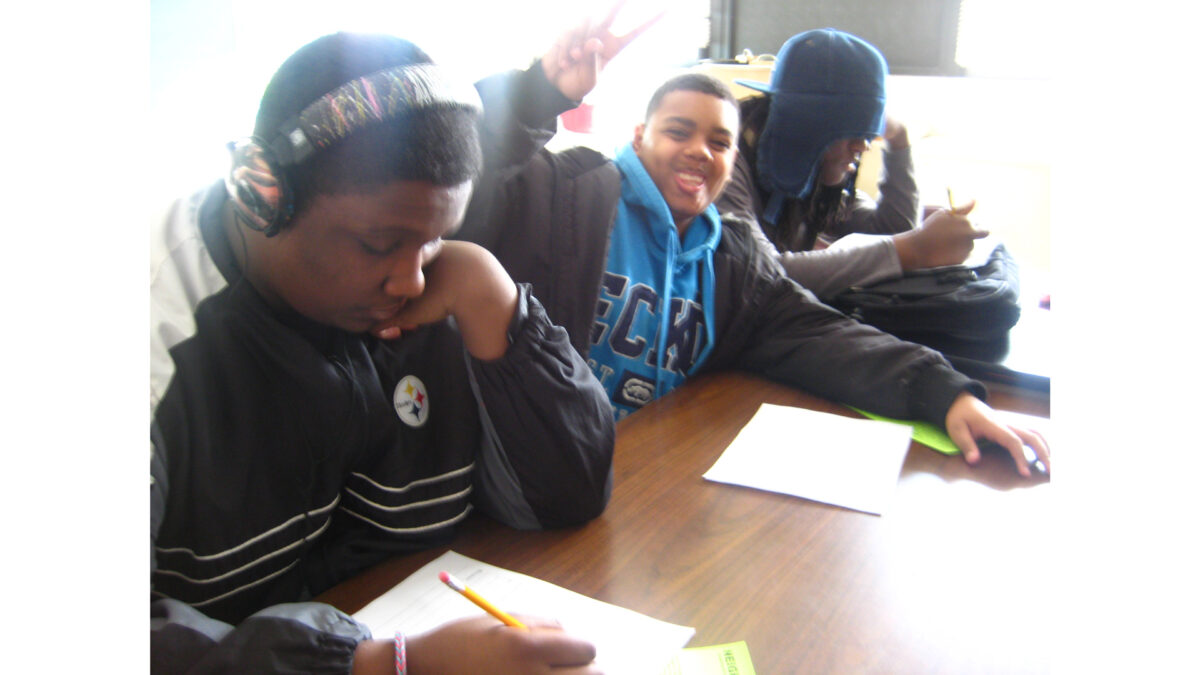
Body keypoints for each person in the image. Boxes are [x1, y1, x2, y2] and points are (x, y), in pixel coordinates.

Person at [150, 31, 625, 674]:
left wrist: (491, 295)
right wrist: (375, 667)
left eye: (435, 241)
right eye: (379, 245)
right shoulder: (154, 341)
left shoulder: (432, 283)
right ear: (261, 194)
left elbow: (569, 495)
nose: (412, 282)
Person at [376, 63, 1049, 479]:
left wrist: (949, 394)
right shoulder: (564, 195)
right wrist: (536, 91)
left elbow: (820, 334)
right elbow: (467, 175)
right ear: (639, 136)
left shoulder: (734, 258)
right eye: (678, 130)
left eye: (720, 140)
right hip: (522, 473)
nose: (700, 150)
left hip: (646, 476)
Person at [715, 28, 989, 299]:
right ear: (805, 126)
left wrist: (900, 140)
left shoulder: (813, 176)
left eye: (867, 133)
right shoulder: (725, 166)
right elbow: (762, 275)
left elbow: (892, 228)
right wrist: (913, 250)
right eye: (852, 132)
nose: (864, 146)